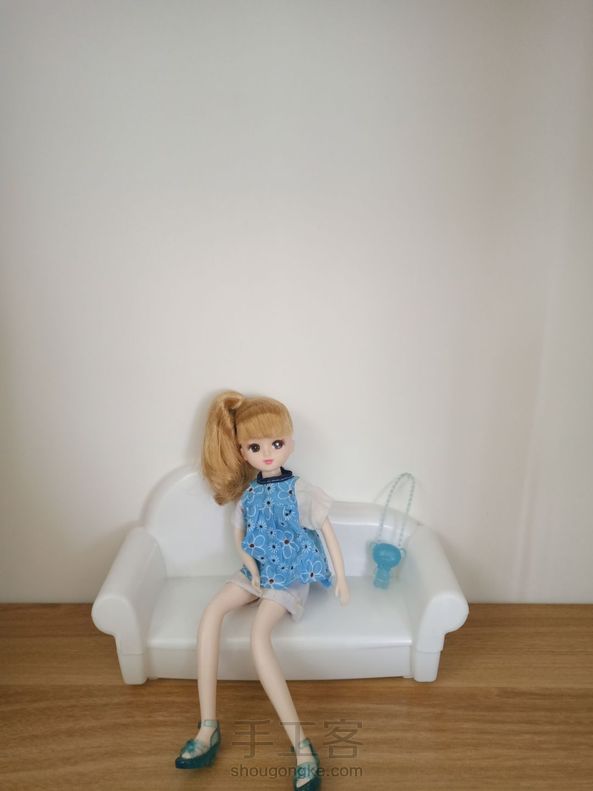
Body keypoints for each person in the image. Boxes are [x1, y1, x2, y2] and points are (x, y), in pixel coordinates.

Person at [175, 390, 350, 790]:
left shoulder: (301, 491)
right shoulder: (250, 495)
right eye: (256, 447)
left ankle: (302, 747)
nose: (267, 454)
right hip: (257, 569)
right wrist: (250, 566)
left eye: (276, 443)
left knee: (259, 637)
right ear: (242, 451)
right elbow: (240, 539)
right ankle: (207, 727)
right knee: (211, 614)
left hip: (290, 573)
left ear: (290, 442)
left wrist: (340, 578)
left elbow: (327, 534)